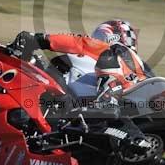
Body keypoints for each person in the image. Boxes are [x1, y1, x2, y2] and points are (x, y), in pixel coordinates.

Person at [9, 20, 152, 150]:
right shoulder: (140, 66)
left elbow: (81, 43)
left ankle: (106, 101)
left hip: (123, 97)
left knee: (61, 64)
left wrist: (38, 39)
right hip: (132, 111)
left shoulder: (117, 50)